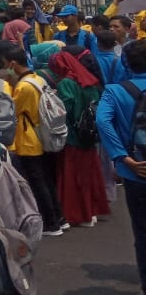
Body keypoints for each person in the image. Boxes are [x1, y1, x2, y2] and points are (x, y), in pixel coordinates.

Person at [0, 41, 64, 236]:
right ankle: (59, 218)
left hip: (28, 140)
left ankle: (51, 224)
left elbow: (13, 111)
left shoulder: (23, 87)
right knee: (46, 180)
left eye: (4, 64)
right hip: (41, 136)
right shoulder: (37, 79)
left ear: (12, 64)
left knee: (37, 183)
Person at [97, 40, 146, 295]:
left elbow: (102, 121)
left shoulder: (115, 91)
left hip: (135, 172)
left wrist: (122, 157)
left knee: (143, 233)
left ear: (126, 63)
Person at [49, 49, 110, 228]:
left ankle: (77, 213)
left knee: (72, 176)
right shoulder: (88, 80)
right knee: (89, 175)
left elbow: (64, 109)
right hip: (89, 135)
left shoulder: (65, 83)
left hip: (72, 137)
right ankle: (91, 211)